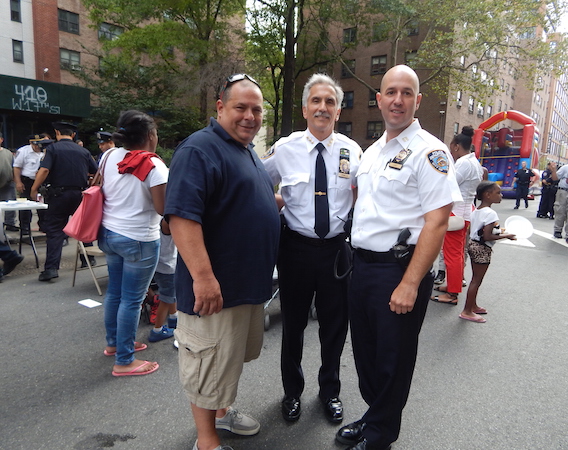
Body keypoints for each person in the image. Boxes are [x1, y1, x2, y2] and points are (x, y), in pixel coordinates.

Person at [336, 65, 461, 450]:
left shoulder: (430, 152)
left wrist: (409, 282)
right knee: (367, 354)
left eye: (407, 93)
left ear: (417, 100)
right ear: (379, 99)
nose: (398, 100)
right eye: (391, 92)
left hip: (399, 269)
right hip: (363, 268)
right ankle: (375, 416)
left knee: (393, 359)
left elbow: (437, 222)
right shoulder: (372, 152)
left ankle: (380, 436)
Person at [164, 74, 280, 450]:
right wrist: (203, 277)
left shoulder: (244, 150)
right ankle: (206, 440)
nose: (250, 116)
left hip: (244, 286)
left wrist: (270, 204)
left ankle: (221, 413)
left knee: (226, 361)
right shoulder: (198, 149)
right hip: (214, 288)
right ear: (220, 107)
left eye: (256, 110)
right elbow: (182, 217)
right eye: (240, 108)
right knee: (206, 364)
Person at [262, 73, 361, 424]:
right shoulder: (285, 149)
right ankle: (292, 392)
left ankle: (329, 392)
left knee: (335, 327)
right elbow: (258, 184)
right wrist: (281, 203)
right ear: (305, 109)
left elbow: (362, 197)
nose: (322, 107)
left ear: (338, 110)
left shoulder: (353, 151)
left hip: (336, 250)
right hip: (295, 249)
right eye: (316, 101)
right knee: (293, 325)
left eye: (330, 102)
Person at [99, 110, 168, 376]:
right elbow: (162, 208)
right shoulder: (155, 166)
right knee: (132, 300)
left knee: (115, 293)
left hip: (108, 234)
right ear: (151, 136)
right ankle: (124, 361)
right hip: (139, 239)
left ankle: (115, 344)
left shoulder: (108, 155)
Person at [31, 122, 98, 281]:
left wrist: (34, 188)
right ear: (73, 135)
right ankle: (88, 258)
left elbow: (45, 170)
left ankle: (51, 269)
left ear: (56, 133)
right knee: (82, 227)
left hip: (58, 195)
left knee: (55, 231)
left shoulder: (53, 149)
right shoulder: (83, 151)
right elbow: (96, 172)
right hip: (79, 194)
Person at [430, 125, 483, 305]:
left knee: (452, 254)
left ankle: (452, 293)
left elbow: (448, 185)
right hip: (466, 210)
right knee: (458, 253)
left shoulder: (462, 163)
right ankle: (453, 285)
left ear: (455, 146)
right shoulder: (474, 163)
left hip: (456, 212)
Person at [461, 181, 516, 323]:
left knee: (475, 278)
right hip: (482, 248)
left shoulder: (476, 211)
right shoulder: (491, 213)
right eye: (498, 192)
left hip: (473, 245)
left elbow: (475, 230)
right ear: (487, 195)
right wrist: (507, 236)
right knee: (476, 280)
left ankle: (473, 305)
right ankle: (467, 311)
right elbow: (487, 236)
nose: (501, 195)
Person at [147, 218, 178, 343]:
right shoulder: (167, 221)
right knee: (166, 298)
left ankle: (173, 317)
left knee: (170, 294)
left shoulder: (155, 220)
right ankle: (157, 330)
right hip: (168, 265)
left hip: (160, 264)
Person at [13, 135, 50, 232]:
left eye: (39, 144)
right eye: (35, 144)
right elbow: (17, 167)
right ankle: (24, 226)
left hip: (41, 181)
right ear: (31, 143)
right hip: (27, 181)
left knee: (42, 204)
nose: (37, 146)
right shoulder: (23, 151)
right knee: (25, 205)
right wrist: (18, 182)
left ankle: (43, 225)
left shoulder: (45, 151)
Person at [0, 133, 18, 231]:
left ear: (1, 140)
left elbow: (14, 167)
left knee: (10, 204)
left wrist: (16, 180)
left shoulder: (8, 153)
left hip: (7, 183)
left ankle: (10, 223)